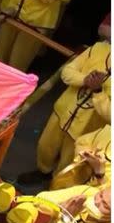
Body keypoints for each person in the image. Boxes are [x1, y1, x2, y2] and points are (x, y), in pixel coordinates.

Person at [17, 40, 111, 187]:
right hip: (62, 112)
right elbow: (67, 72)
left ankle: (54, 189)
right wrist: (85, 80)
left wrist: (98, 92)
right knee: (45, 146)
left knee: (69, 164)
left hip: (86, 129)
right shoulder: (98, 48)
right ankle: (42, 172)